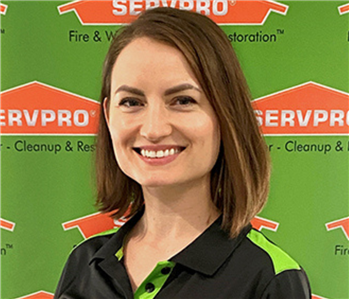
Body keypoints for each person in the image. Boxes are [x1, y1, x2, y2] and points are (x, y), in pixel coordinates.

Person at [54, 7, 311, 299]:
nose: (153, 129)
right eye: (131, 102)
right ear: (108, 117)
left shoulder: (268, 276)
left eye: (183, 100)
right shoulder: (84, 264)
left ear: (227, 114)